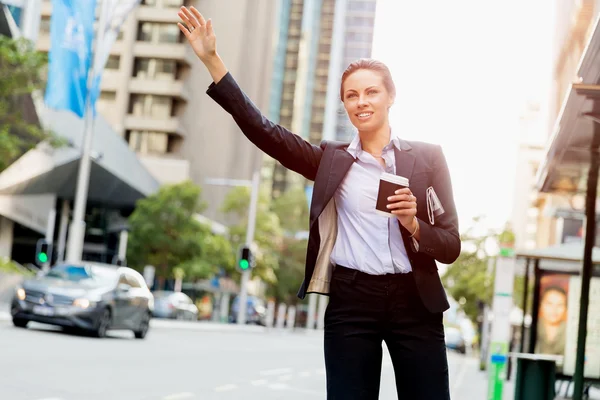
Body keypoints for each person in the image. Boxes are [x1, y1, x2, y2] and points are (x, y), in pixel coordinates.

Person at [177, 6, 460, 399]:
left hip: (416, 301)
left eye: (371, 91)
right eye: (351, 95)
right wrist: (212, 60)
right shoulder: (332, 161)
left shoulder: (428, 158)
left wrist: (414, 225)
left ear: (391, 96)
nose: (361, 102)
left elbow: (450, 246)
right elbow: (264, 131)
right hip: (352, 301)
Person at [535, 286, 568, 357]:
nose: (554, 309)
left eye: (560, 305)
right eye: (549, 304)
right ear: (541, 305)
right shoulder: (533, 327)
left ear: (565, 308)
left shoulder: (570, 331)